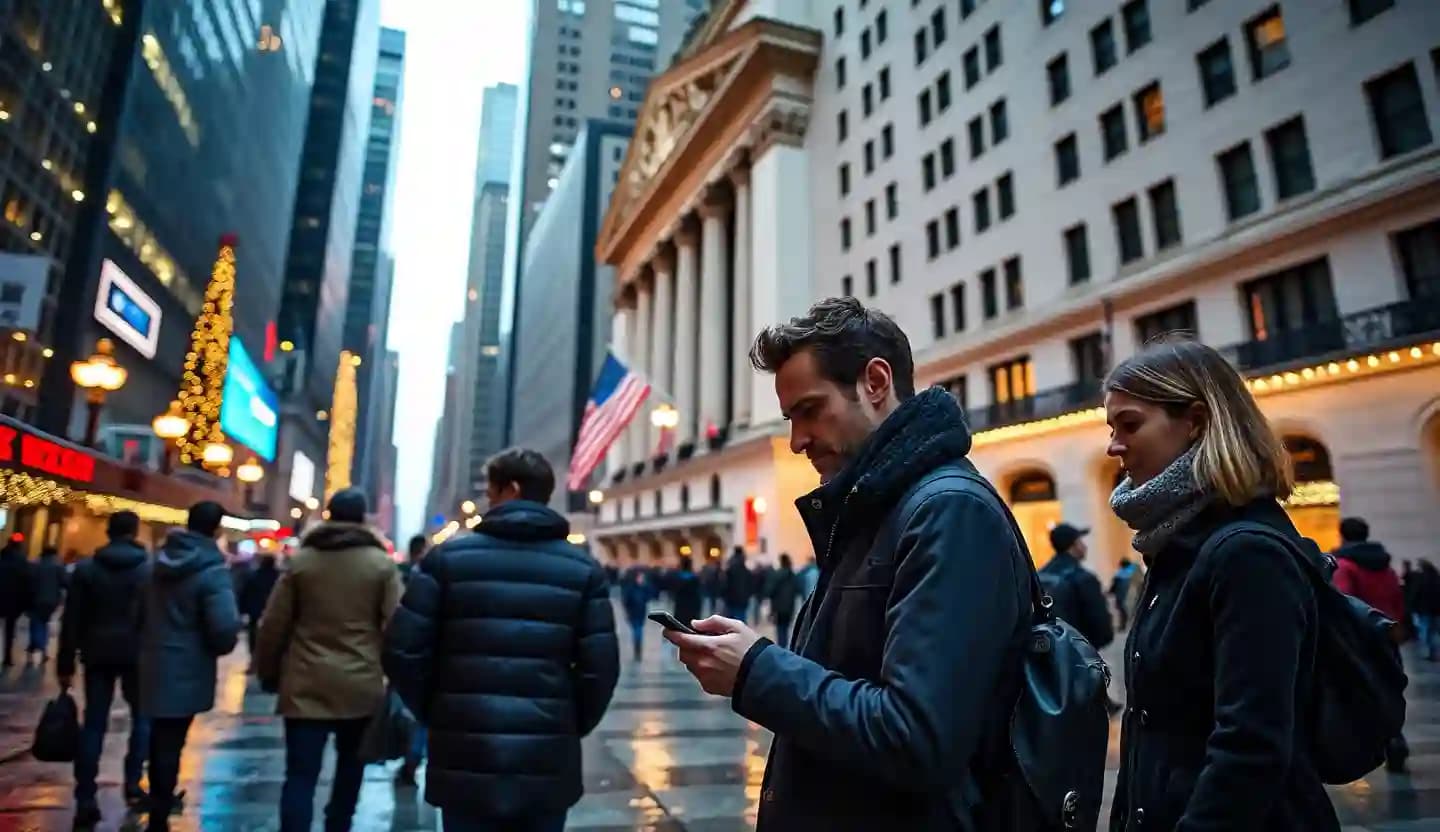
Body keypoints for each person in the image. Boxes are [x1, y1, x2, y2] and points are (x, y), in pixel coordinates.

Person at [664, 298, 1031, 829]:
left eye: (810, 410)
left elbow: (917, 735)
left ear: (876, 383)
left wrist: (755, 669)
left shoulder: (948, 510)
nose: (797, 442)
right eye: (790, 419)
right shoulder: (873, 510)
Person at [1104, 338, 1339, 830]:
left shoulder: (1245, 553)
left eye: (1130, 424)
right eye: (1112, 427)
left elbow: (1250, 748)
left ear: (1195, 421)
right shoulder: (1174, 545)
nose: (1114, 445)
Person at [384, 448, 619, 832]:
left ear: (510, 489)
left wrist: (439, 710)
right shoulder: (583, 569)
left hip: (465, 754)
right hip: (545, 756)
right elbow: (601, 669)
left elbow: (401, 649)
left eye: (490, 491)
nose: (486, 501)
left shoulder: (447, 560)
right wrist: (568, 722)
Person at [256, 488, 403, 832]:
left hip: (304, 683)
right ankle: (338, 825)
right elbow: (396, 626)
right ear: (365, 518)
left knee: (300, 776)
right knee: (350, 771)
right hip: (360, 686)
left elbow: (273, 624)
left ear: (328, 514)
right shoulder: (380, 564)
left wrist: (268, 671)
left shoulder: (303, 561)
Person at [139, 501, 241, 831]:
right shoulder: (212, 570)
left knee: (157, 737)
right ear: (217, 528)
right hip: (188, 666)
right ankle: (159, 811)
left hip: (152, 660)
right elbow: (224, 628)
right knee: (171, 739)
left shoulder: (156, 564)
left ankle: (157, 798)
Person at [58, 511, 152, 827]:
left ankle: (85, 794)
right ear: (134, 532)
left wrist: (65, 661)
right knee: (142, 718)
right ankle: (133, 782)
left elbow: (72, 619)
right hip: (137, 653)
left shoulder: (86, 570)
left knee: (94, 722)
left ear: (109, 532)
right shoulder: (148, 571)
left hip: (96, 651)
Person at [1330, 516, 1410, 773]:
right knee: (1391, 684)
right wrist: (1398, 625)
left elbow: (1345, 604)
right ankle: (1395, 737)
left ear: (1342, 534)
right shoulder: (1385, 566)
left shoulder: (1344, 566)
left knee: (1368, 690)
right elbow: (1397, 598)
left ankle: (1385, 740)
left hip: (1362, 639)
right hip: (1388, 634)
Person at [1038, 523, 1114, 651]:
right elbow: (1103, 629)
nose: (1084, 546)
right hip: (1079, 655)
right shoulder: (1084, 578)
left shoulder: (1040, 576)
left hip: (1048, 654)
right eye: (1080, 541)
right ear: (1073, 546)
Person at [397, 533, 429, 787]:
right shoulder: (428, 576)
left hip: (408, 651)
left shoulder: (401, 574)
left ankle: (410, 757)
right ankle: (413, 757)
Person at [239, 553, 279, 672]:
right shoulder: (279, 577)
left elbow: (246, 593)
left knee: (253, 639)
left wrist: (243, 610)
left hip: (255, 612)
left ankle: (254, 662)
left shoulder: (254, 576)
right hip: (273, 613)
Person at [26, 547, 67, 664]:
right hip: (51, 601)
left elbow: (28, 583)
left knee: (35, 623)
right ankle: (39, 648)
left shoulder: (34, 565)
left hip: (34, 599)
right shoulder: (58, 566)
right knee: (42, 623)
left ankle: (38, 646)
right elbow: (65, 582)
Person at [617, 553, 653, 661]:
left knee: (637, 629)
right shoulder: (636, 587)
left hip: (637, 611)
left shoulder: (635, 586)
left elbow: (626, 600)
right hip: (637, 610)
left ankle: (637, 647)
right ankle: (638, 647)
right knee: (637, 629)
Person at [0, 539, 27, 667]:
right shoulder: (22, 562)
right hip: (13, 600)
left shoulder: (2, 557)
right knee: (10, 630)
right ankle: (7, 657)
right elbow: (25, 582)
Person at [767, 554, 801, 650]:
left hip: (778, 606)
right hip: (789, 606)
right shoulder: (792, 575)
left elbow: (770, 590)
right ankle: (785, 646)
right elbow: (798, 589)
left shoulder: (777, 575)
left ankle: (781, 647)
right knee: (786, 628)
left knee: (780, 628)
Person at [1412, 561, 1440, 661]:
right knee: (1435, 632)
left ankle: (1428, 652)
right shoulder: (1437, 578)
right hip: (1437, 610)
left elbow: (1416, 593)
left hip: (1424, 609)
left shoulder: (1421, 579)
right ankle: (1436, 652)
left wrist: (1413, 606)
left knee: (1425, 631)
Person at [668, 555, 703, 627]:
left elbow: (673, 591)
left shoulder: (676, 577)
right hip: (692, 606)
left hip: (680, 606)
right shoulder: (695, 578)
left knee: (680, 625)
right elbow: (698, 594)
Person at [720, 547, 752, 623]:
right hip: (743, 599)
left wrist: (723, 594)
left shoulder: (730, 568)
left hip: (731, 598)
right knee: (741, 619)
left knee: (731, 621)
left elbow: (725, 584)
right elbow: (750, 584)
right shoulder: (745, 570)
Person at [1110, 557, 1138, 630]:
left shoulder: (1119, 574)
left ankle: (1123, 625)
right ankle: (1126, 624)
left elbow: (1114, 586)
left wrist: (1110, 592)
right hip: (1129, 596)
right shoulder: (1132, 572)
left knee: (1122, 611)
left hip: (1120, 595)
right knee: (1126, 610)